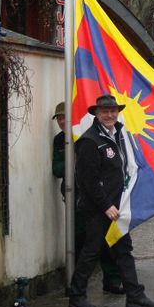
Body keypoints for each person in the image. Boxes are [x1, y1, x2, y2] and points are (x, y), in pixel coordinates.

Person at [68, 94, 154, 307]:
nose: (109, 115)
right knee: (91, 250)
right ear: (96, 114)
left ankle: (134, 296)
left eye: (113, 111)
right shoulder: (90, 141)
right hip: (98, 209)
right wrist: (105, 205)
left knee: (123, 250)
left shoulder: (119, 134)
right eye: (105, 111)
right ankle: (76, 296)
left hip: (117, 206)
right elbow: (87, 181)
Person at [52, 101, 123, 295]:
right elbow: (56, 169)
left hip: (99, 196)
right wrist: (71, 161)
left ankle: (112, 279)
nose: (62, 121)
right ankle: (76, 284)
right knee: (80, 239)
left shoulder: (87, 137)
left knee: (108, 240)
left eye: (64, 117)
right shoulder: (60, 140)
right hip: (74, 195)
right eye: (58, 118)